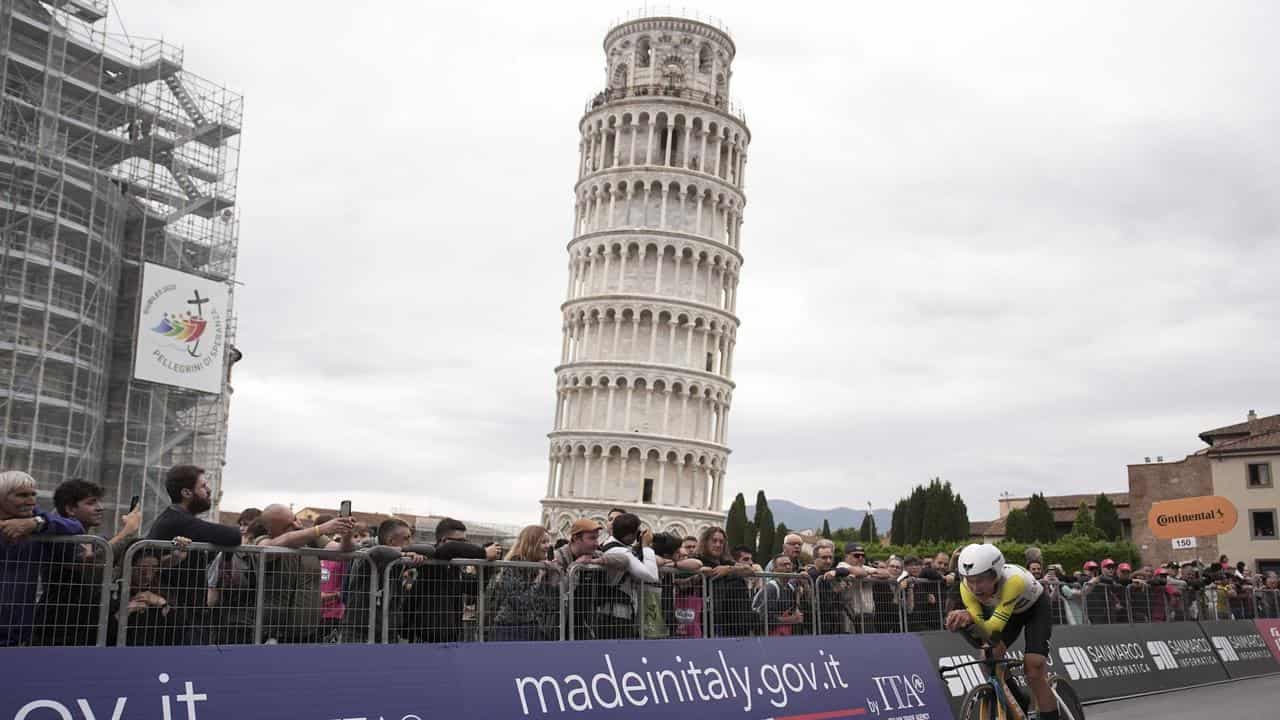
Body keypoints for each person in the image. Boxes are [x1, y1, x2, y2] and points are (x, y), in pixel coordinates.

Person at [946, 544, 1058, 720]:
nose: (975, 588)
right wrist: (965, 623)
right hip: (1010, 613)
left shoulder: (1013, 581)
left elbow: (993, 628)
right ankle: (1018, 699)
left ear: (996, 574)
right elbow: (984, 630)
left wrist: (970, 618)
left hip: (1036, 608)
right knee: (987, 657)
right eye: (970, 580)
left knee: (1033, 668)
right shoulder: (965, 587)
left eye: (981, 580)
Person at [36, 479, 142, 645]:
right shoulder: (61, 539)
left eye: (99, 501)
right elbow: (90, 567)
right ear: (70, 509)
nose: (100, 507)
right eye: (91, 503)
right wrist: (127, 532)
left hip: (87, 626)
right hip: (57, 627)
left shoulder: (97, 541)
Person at [0, 470, 85, 646]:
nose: (30, 500)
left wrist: (36, 523)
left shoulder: (36, 519)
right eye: (22, 495)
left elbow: (75, 526)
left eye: (33, 494)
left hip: (17, 630)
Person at [252, 505, 356, 643]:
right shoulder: (263, 540)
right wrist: (321, 529)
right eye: (288, 525)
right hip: (273, 633)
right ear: (270, 530)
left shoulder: (311, 538)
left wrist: (347, 534)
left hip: (310, 631)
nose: (297, 524)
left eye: (295, 519)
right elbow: (270, 548)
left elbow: (342, 553)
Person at [401, 517, 498, 643]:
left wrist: (485, 566)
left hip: (450, 637)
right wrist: (483, 552)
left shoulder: (454, 566)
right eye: (460, 542)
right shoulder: (431, 558)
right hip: (425, 638)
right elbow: (450, 548)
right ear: (443, 541)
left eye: (465, 542)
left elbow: (474, 588)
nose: (464, 546)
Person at [487, 525, 560, 641]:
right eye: (543, 542)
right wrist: (540, 576)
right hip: (510, 627)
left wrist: (552, 575)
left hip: (533, 626)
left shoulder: (538, 565)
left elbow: (551, 602)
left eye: (548, 542)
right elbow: (520, 603)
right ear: (531, 543)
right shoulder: (514, 564)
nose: (548, 546)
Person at [592, 512, 659, 639]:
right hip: (614, 615)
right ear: (629, 536)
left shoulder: (617, 547)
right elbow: (652, 575)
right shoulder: (620, 551)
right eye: (636, 532)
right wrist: (646, 546)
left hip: (617, 612)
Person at [697, 526, 758, 637]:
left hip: (731, 620)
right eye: (714, 541)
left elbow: (751, 570)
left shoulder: (726, 561)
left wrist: (728, 569)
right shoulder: (698, 559)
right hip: (706, 619)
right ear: (705, 542)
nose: (718, 545)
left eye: (721, 541)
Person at [838, 543, 890, 633]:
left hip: (868, 615)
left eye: (863, 555)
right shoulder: (842, 566)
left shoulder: (864, 567)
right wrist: (871, 574)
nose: (860, 558)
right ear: (847, 556)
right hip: (850, 615)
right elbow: (858, 572)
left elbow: (886, 574)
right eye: (856, 555)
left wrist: (866, 574)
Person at [804, 539, 850, 635]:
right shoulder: (812, 575)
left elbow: (846, 570)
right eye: (824, 558)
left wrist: (836, 572)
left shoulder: (829, 571)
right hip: (818, 625)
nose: (828, 561)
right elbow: (822, 603)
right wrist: (836, 590)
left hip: (835, 623)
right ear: (815, 559)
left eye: (830, 557)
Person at [758, 554, 805, 635]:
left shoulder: (790, 587)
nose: (787, 567)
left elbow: (793, 611)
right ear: (774, 569)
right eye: (783, 565)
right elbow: (765, 618)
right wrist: (792, 619)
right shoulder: (771, 588)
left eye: (789, 564)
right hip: (763, 634)